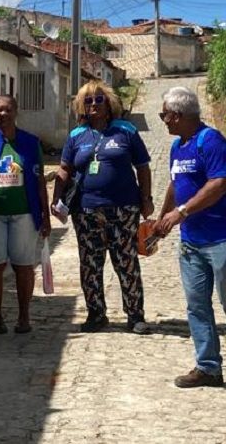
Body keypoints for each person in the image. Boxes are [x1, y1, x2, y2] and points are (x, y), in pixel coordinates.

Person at [154, 85, 226, 388]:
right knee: (196, 304)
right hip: (191, 241)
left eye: (164, 114)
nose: (163, 119)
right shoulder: (178, 147)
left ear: (177, 115)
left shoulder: (211, 141)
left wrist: (182, 212)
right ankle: (208, 367)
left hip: (224, 237)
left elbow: (220, 183)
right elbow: (177, 184)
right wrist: (164, 218)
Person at [53, 80, 154, 334]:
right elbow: (65, 169)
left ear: (109, 103)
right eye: (88, 100)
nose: (94, 104)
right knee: (90, 263)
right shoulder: (77, 135)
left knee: (126, 260)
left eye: (99, 99)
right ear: (81, 106)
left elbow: (142, 166)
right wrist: (56, 199)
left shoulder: (126, 130)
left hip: (124, 208)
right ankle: (96, 314)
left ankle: (135, 315)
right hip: (86, 211)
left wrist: (146, 199)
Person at [0, 95, 51, 334]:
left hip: (24, 215)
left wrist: (45, 215)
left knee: (23, 266)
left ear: (16, 111)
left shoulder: (31, 143)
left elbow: (39, 181)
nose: (3, 114)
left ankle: (24, 316)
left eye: (8, 109)